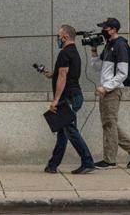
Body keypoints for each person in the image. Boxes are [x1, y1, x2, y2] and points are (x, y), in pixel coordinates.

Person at [91, 18, 130, 169]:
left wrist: (106, 87)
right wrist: (94, 51)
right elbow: (98, 68)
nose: (103, 31)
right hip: (107, 90)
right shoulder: (109, 45)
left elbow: (123, 73)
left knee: (109, 123)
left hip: (113, 90)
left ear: (114, 29)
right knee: (109, 123)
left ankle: (110, 160)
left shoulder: (121, 45)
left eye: (106, 28)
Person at [43, 25, 95, 174]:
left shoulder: (65, 53)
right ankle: (52, 165)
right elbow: (64, 73)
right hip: (73, 96)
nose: (57, 39)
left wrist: (56, 100)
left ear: (64, 37)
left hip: (69, 98)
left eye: (58, 36)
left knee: (70, 131)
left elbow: (63, 76)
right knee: (63, 131)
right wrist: (52, 74)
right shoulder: (73, 52)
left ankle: (88, 162)